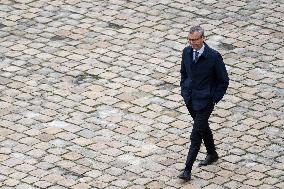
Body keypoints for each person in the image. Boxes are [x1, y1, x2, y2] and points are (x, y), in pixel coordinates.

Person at [179, 26, 229, 181]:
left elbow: (223, 80)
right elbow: (184, 73)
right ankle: (212, 153)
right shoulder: (186, 52)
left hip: (205, 101)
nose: (192, 43)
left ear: (202, 38)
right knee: (202, 126)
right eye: (190, 39)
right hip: (190, 98)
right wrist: (184, 89)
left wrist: (213, 99)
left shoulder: (213, 56)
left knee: (196, 134)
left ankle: (187, 170)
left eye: (195, 40)